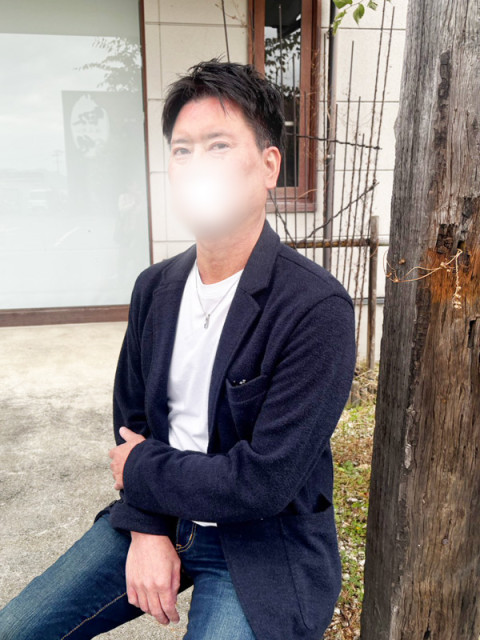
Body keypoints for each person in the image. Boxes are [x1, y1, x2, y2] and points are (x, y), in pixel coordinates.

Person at [0, 60, 356, 640]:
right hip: (159, 515)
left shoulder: (316, 308)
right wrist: (146, 528)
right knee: (16, 628)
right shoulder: (155, 288)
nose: (197, 165)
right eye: (182, 150)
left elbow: (262, 481)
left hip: (260, 545)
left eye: (219, 145)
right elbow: (132, 422)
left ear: (269, 165)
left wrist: (143, 469)